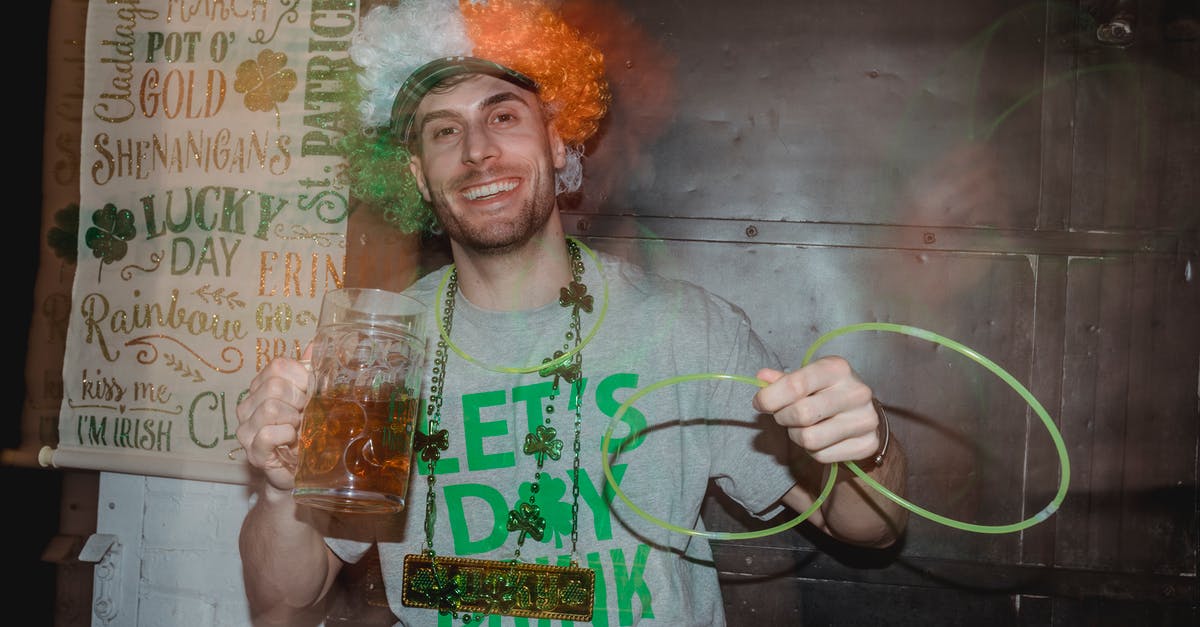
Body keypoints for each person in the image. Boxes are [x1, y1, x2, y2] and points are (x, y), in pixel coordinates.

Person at [235, 1, 909, 625]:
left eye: (503, 116)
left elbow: (870, 526)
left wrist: (867, 449)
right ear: (416, 175)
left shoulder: (683, 329)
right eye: (445, 131)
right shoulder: (377, 348)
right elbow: (282, 603)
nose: (477, 151)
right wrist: (276, 490)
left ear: (558, 142)